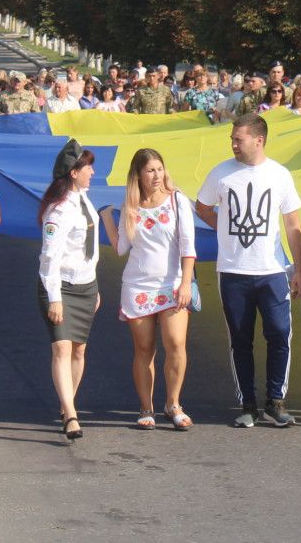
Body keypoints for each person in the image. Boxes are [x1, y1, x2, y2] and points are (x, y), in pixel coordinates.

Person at [195, 114, 301, 428]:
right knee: (240, 340)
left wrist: (298, 268)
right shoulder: (222, 174)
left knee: (279, 335)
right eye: (232, 139)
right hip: (233, 271)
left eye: (238, 139)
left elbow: (293, 224)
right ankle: (247, 404)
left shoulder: (280, 175)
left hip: (272, 271)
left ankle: (275, 400)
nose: (233, 144)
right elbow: (202, 206)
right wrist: (221, 228)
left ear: (259, 140)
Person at [115, 149, 198, 430]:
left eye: (159, 169)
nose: (156, 176)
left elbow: (188, 247)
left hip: (173, 284)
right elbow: (121, 248)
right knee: (144, 348)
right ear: (138, 174)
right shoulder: (131, 206)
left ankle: (173, 403)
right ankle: (146, 407)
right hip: (138, 285)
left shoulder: (178, 201)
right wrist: (109, 219)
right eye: (150, 170)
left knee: (175, 343)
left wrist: (186, 282)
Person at [38, 139, 114, 440]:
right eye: (88, 167)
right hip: (60, 286)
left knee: (79, 350)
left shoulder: (84, 200)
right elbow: (49, 257)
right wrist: (54, 299)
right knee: (61, 347)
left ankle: (66, 400)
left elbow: (90, 249)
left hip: (84, 284)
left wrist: (93, 287)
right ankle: (70, 413)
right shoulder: (58, 211)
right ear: (73, 172)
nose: (92, 173)